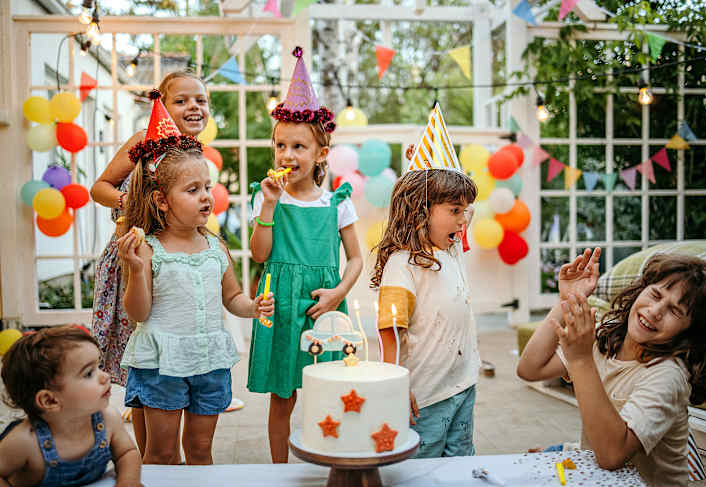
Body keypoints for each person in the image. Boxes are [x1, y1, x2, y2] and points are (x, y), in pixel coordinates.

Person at [117, 92, 274, 466]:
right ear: (161, 200)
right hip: (161, 365)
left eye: (207, 187)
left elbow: (232, 297)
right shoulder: (148, 249)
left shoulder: (215, 247)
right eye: (192, 190)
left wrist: (251, 307)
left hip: (207, 361)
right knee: (162, 452)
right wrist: (137, 273)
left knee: (202, 450)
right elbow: (138, 313)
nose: (206, 197)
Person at [517, 248, 706, 486]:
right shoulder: (607, 336)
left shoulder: (667, 374)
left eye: (675, 311)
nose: (655, 311)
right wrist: (567, 301)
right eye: (656, 295)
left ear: (690, 333)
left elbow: (612, 455)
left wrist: (580, 359)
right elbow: (529, 369)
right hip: (594, 466)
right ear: (640, 290)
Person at [247, 47, 363, 463]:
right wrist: (268, 207)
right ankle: (279, 468)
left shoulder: (337, 202)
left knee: (327, 389)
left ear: (320, 154)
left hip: (322, 306)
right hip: (277, 305)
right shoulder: (267, 198)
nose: (287, 155)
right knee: (283, 397)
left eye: (298, 146)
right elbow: (260, 255)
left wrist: (337, 294)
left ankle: (326, 461)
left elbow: (355, 259)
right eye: (281, 145)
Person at [90, 71, 210, 460]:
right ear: (163, 104)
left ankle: (157, 456)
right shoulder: (144, 141)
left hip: (174, 262)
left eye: (201, 100)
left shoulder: (193, 153)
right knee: (143, 354)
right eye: (182, 100)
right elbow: (100, 187)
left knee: (163, 349)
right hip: (135, 258)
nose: (194, 107)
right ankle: (150, 458)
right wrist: (134, 201)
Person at [371, 160, 479, 459]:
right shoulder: (402, 264)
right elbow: (390, 331)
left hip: (464, 383)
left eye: (464, 211)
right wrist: (396, 385)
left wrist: (430, 167)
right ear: (419, 211)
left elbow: (465, 203)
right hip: (426, 395)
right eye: (455, 211)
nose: (463, 220)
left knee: (460, 465)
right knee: (422, 466)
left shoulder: (452, 249)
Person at [0, 326, 142, 487]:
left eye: (99, 367)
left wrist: (128, 481)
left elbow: (127, 453)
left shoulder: (108, 418)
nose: (105, 376)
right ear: (50, 401)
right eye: (89, 373)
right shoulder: (24, 441)